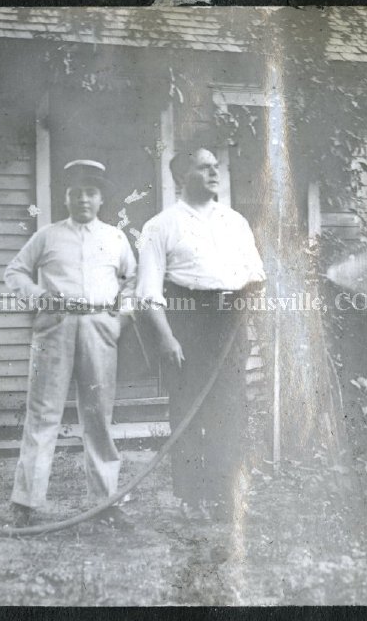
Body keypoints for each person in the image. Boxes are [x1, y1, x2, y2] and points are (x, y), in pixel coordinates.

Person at [136, 144, 266, 523]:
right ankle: (192, 497)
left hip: (230, 324)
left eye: (215, 167)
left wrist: (248, 317)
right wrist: (166, 338)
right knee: (189, 412)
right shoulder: (159, 227)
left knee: (230, 410)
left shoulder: (235, 222)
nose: (214, 173)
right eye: (203, 168)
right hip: (186, 321)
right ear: (180, 177)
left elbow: (256, 276)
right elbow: (147, 293)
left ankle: (225, 495)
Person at [4, 159, 136, 528]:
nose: (83, 199)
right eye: (76, 192)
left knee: (98, 415)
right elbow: (14, 271)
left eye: (90, 192)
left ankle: (105, 502)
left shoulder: (115, 237)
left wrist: (120, 318)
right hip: (55, 326)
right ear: (66, 196)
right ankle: (26, 504)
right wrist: (38, 297)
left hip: (98, 327)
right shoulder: (47, 236)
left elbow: (133, 280)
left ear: (100, 198)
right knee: (43, 412)